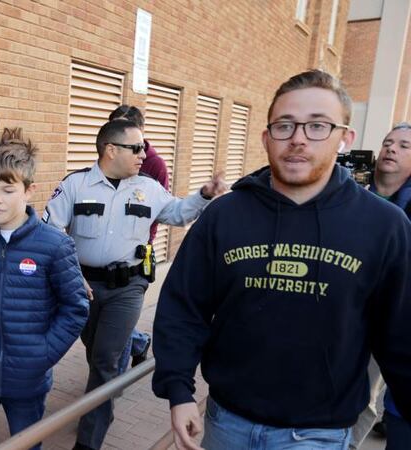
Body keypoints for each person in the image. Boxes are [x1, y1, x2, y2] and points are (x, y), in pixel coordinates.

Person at [152, 70, 411, 450]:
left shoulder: (385, 226)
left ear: (345, 138)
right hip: (226, 423)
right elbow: (182, 308)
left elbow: (401, 334)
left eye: (318, 126)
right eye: (285, 125)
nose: (298, 139)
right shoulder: (225, 216)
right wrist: (179, 391)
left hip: (317, 434)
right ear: (266, 137)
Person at [43, 119, 226, 450]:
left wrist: (204, 195)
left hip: (127, 288)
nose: (145, 154)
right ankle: (108, 394)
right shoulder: (75, 185)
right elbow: (52, 231)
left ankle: (89, 441)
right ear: (111, 150)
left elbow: (178, 213)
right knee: (95, 351)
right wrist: (71, 273)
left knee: (105, 361)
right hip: (82, 287)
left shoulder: (149, 187)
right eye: (137, 147)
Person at [0, 128, 89, 450]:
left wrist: (42, 355)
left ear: (28, 191)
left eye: (8, 189)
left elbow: (75, 307)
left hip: (27, 380)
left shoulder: (55, 245)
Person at [108, 105, 171, 369]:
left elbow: (157, 210)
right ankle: (139, 343)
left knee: (119, 320)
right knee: (108, 321)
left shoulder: (154, 164)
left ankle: (115, 382)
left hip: (135, 252)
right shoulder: (109, 154)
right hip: (107, 248)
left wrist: (142, 245)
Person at [366, 122, 411, 450]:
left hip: (397, 318)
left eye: (404, 146)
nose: (392, 148)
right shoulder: (353, 197)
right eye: (387, 142)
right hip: (354, 315)